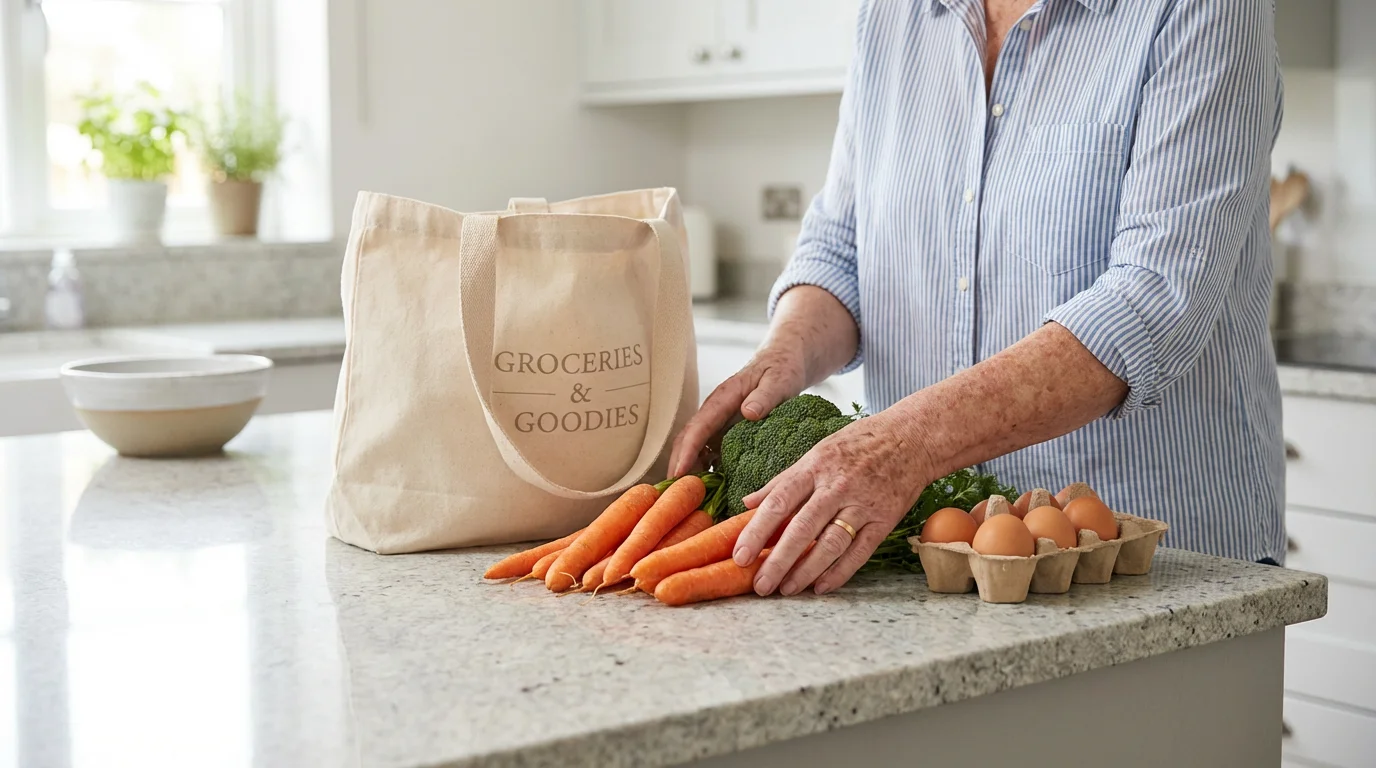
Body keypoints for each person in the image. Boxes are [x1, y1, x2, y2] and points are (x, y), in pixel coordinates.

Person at [668, 0, 1286, 597]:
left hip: (1153, 566)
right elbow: (840, 248)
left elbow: (1152, 302)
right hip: (933, 565)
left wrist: (901, 446)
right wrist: (786, 352)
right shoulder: (892, 14)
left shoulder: (1204, 7)